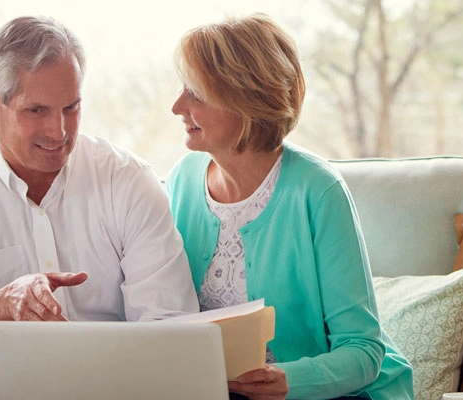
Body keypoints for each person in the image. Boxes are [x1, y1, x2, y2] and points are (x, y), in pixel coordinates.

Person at [0, 16, 200, 399]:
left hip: (113, 386)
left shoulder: (127, 181)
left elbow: (172, 328)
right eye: (36, 111)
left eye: (71, 107)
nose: (59, 131)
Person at [165, 14, 414, 400]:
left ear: (245, 98)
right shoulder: (181, 180)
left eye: (195, 92)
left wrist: (287, 380)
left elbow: (364, 352)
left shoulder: (318, 190)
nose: (177, 106)